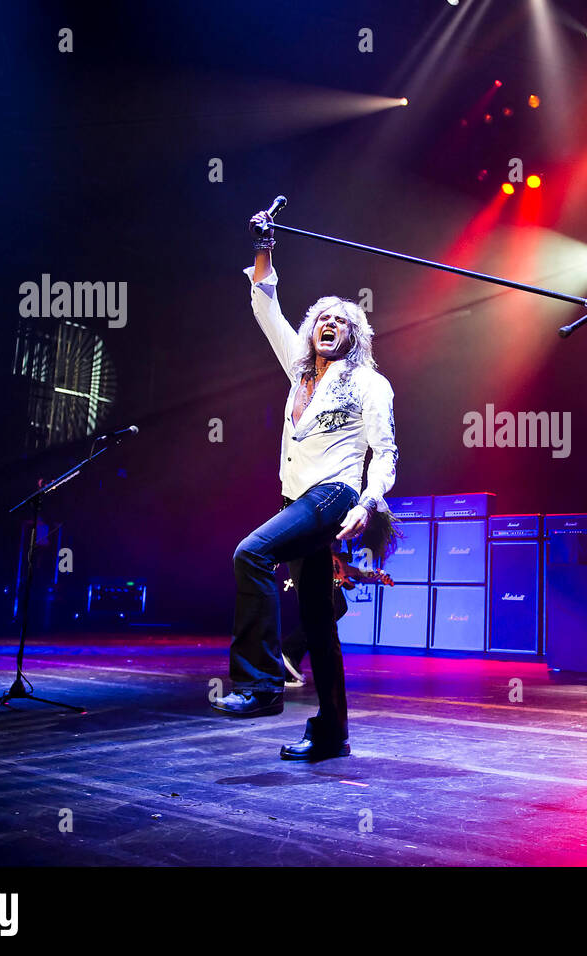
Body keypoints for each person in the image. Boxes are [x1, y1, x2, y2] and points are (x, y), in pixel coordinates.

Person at [210, 208, 399, 762]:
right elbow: (265, 303)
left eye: (342, 321)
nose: (329, 324)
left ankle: (262, 684)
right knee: (319, 621)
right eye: (322, 318)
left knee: (251, 553)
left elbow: (384, 451)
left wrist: (370, 500)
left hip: (334, 495)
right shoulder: (297, 373)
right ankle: (332, 732)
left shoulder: (369, 383)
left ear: (355, 335)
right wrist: (264, 244)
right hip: (298, 498)